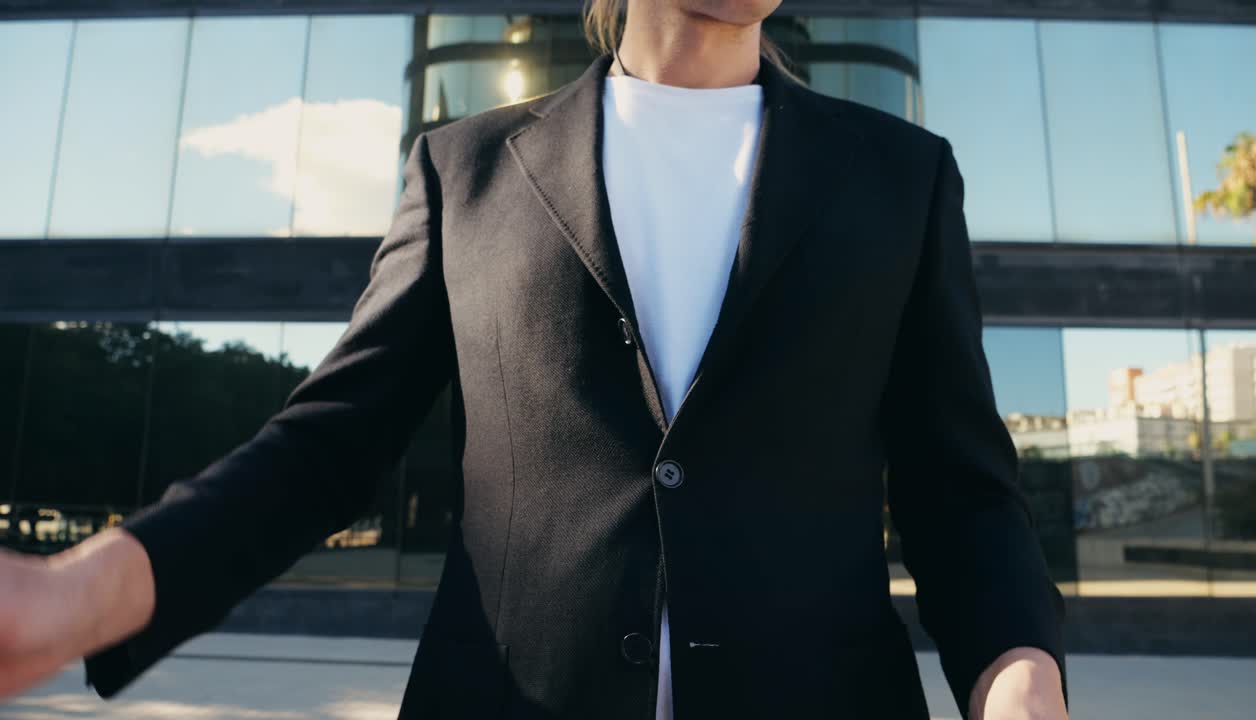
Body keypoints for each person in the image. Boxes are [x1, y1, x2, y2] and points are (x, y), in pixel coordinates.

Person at [0, 1, 1069, 718]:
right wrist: (80, 595)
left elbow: (960, 493)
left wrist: (1017, 675)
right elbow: (325, 447)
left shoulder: (901, 176)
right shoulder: (462, 169)